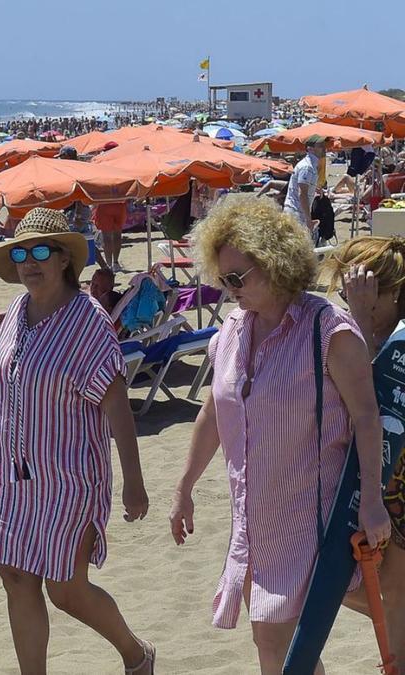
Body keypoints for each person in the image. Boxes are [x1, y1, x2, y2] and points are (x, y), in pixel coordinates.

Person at [169, 195, 390, 673]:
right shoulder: (229, 331)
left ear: (275, 263)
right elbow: (216, 408)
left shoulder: (328, 330)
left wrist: (371, 499)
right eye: (221, 278)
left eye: (237, 278)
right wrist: (185, 485)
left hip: (312, 521)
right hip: (253, 523)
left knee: (279, 649)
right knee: (288, 652)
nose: (228, 290)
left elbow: (367, 417)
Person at [0, 208, 153, 674]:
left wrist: (134, 481)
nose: (30, 262)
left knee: (66, 589)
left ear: (65, 259)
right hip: (12, 475)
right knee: (15, 577)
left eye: (41, 251)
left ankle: (135, 653)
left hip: (67, 479)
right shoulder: (14, 315)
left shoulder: (88, 322)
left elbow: (117, 407)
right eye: (20, 253)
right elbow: (18, 387)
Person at [320, 236, 405, 657]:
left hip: (397, 484)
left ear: (391, 293)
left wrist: (359, 317)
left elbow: (372, 396)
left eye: (367, 293)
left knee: (391, 590)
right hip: (384, 481)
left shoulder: (398, 339)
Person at [283, 135, 325, 235]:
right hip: (296, 213)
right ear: (310, 148)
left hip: (296, 212)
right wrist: (309, 220)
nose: (324, 148)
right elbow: (302, 194)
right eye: (320, 145)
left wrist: (314, 188)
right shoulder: (307, 167)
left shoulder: (310, 165)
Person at [93, 200, 128, 272]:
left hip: (104, 203)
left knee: (106, 237)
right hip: (119, 203)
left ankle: (109, 264)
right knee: (117, 235)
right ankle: (115, 262)